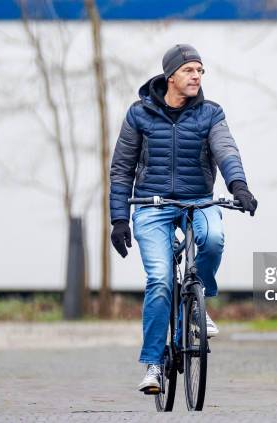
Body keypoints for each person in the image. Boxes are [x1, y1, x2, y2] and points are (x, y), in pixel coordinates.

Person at [108, 44, 257, 393]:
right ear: (170, 75)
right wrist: (119, 219)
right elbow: (121, 169)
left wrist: (240, 186)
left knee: (214, 237)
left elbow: (226, 151)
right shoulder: (138, 115)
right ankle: (154, 365)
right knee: (159, 280)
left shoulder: (210, 113)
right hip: (151, 204)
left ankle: (196, 303)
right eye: (190, 70)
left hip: (198, 200)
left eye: (200, 71)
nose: (197, 77)